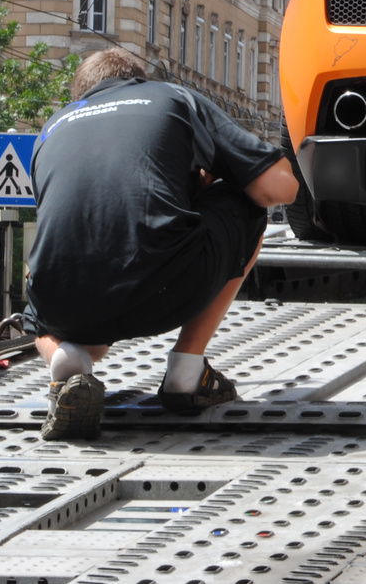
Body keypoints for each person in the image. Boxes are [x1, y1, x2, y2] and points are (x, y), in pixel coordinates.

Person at [24, 48, 298, 441]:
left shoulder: (51, 127)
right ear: (140, 79)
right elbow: (279, 188)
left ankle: (68, 359)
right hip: (171, 286)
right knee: (246, 198)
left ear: (79, 97)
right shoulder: (170, 97)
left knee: (42, 289)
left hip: (63, 303)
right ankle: (186, 370)